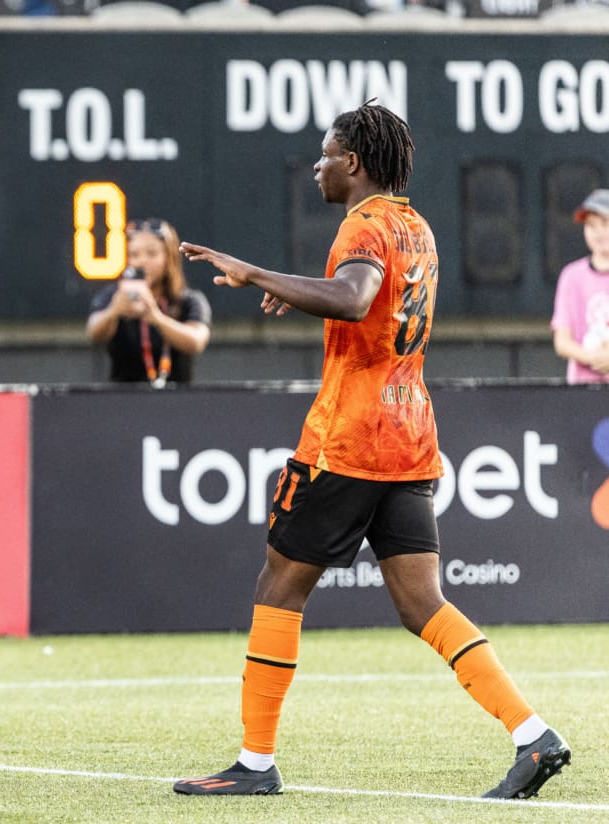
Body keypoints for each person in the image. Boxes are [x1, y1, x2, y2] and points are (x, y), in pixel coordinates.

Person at [171, 102, 570, 800]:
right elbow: (372, 306)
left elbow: (354, 299)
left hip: (349, 441)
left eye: (325, 154)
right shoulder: (415, 225)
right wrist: (302, 295)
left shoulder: (361, 224)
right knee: (422, 603)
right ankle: (533, 736)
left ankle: (255, 764)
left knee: (280, 586)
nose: (318, 166)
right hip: (410, 436)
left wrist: (255, 273)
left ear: (352, 162)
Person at [86, 217, 211, 385]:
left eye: (152, 254)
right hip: (122, 399)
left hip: (177, 399)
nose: (142, 261)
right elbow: (94, 332)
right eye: (134, 254)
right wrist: (114, 311)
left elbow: (196, 341)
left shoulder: (188, 300)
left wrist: (155, 317)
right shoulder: (114, 296)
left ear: (169, 257)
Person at [550, 188, 609, 384]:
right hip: (582, 393)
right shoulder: (572, 276)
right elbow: (562, 341)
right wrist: (593, 357)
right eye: (591, 225)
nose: (598, 233)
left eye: (605, 223)